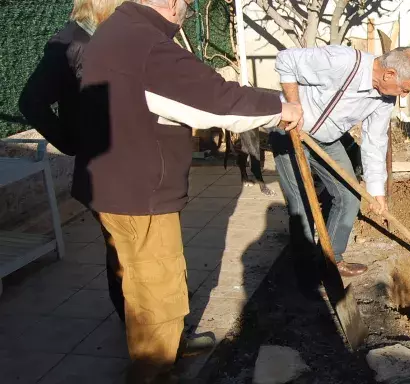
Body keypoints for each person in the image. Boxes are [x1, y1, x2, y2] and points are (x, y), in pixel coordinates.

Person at [74, 0, 302, 382]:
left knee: (138, 278)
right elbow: (214, 102)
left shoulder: (117, 31)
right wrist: (280, 108)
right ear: (171, 3)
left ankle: (171, 343)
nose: (187, 13)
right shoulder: (146, 43)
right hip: (139, 195)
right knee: (157, 287)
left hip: (113, 184)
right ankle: (155, 369)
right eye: (187, 6)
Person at [272, 45, 410, 279]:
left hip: (326, 141)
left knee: (349, 196)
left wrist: (377, 192)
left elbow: (375, 142)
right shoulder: (343, 62)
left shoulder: (384, 100)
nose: (403, 95)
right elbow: (286, 60)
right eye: (404, 89)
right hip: (290, 131)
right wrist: (294, 107)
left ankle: (331, 259)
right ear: (389, 74)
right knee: (301, 204)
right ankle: (305, 277)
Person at [19, 0, 128, 155]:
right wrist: (71, 143)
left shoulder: (104, 37)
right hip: (95, 161)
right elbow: (30, 102)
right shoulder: (70, 46)